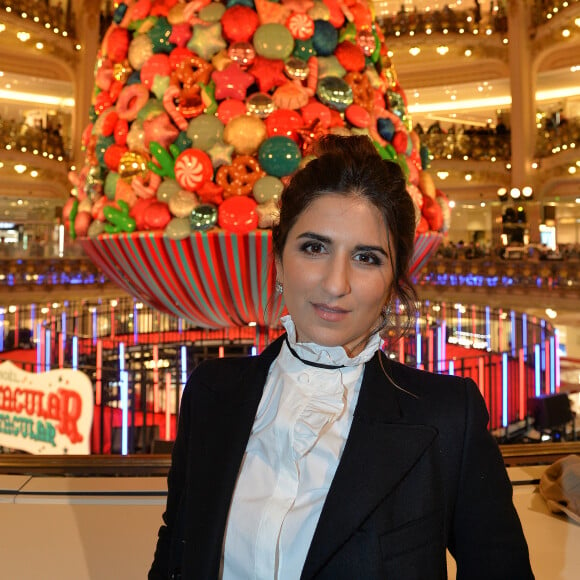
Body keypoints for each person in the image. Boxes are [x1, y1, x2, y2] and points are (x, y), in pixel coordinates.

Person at [149, 135, 534, 579]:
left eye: (367, 258)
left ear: (393, 281)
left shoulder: (448, 417)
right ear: (278, 260)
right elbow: (175, 547)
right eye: (314, 247)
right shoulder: (212, 392)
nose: (336, 284)